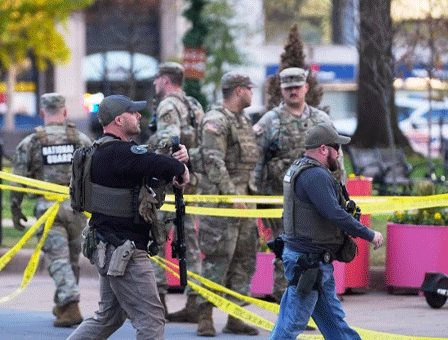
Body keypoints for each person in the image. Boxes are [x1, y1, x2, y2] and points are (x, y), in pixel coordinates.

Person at [67, 94, 190, 340]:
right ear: (119, 120)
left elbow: (149, 163)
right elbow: (161, 165)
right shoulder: (119, 153)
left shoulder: (102, 152)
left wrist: (174, 161)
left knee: (108, 318)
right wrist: (181, 166)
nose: (139, 117)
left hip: (108, 245)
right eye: (133, 113)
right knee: (152, 320)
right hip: (126, 251)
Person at [270, 123, 384, 340]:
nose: (339, 153)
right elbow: (335, 214)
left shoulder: (299, 169)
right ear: (323, 149)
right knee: (291, 324)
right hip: (309, 262)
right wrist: (369, 234)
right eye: (336, 148)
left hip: (312, 261)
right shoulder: (315, 176)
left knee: (334, 323)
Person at [253, 67, 345, 302]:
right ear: (281, 90)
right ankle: (285, 303)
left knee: (315, 252)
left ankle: (310, 305)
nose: (293, 91)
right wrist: (253, 196)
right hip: (281, 200)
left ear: (306, 87)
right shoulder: (270, 121)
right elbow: (255, 162)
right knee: (286, 251)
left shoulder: (321, 120)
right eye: (288, 87)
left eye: (297, 86)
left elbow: (337, 159)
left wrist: (340, 194)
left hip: (316, 203)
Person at [11, 93, 93, 327]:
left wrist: (15, 209)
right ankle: (63, 304)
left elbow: (17, 180)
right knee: (71, 259)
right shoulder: (80, 139)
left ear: (42, 113)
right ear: (65, 112)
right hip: (77, 209)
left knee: (58, 259)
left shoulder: (32, 142)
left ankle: (71, 306)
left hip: (49, 210)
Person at [195, 72, 260, 337]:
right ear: (238, 91)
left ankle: (235, 316)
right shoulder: (216, 120)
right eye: (249, 89)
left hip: (246, 202)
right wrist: (232, 196)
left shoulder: (243, 121)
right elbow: (213, 161)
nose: (252, 94)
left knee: (244, 259)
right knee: (217, 260)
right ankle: (204, 314)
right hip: (222, 204)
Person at [147, 62, 205, 322]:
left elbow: (168, 142)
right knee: (190, 245)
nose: (154, 84)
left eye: (156, 79)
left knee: (156, 242)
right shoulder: (194, 105)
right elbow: (200, 145)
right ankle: (194, 302)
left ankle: (158, 303)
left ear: (165, 80)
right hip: (191, 183)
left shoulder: (167, 106)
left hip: (169, 187)